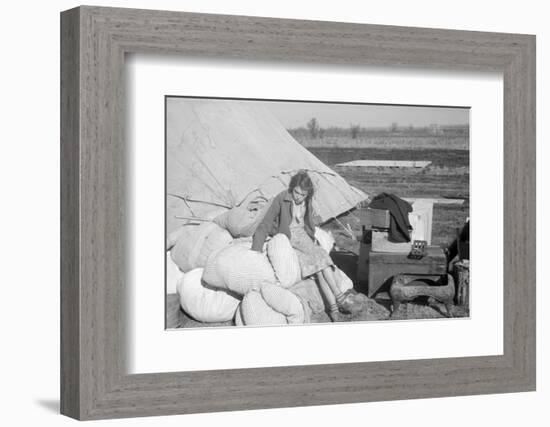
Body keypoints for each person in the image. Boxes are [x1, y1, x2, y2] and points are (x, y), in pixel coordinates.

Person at [251, 170, 355, 321]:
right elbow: (265, 223)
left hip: (304, 237)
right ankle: (339, 297)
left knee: (320, 266)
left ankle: (334, 308)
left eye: (302, 194)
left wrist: (313, 236)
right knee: (320, 263)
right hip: (290, 238)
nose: (298, 197)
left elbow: (308, 223)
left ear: (308, 194)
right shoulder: (281, 198)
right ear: (292, 188)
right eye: (296, 192)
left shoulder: (308, 200)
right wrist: (256, 249)